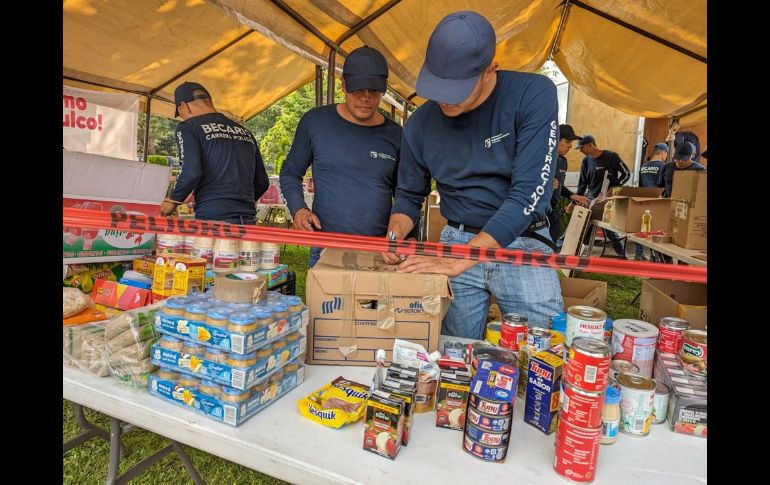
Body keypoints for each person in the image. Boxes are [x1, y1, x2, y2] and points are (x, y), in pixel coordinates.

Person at [382, 11, 564, 339]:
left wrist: (461, 259)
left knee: (540, 349)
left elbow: (529, 194)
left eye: (456, 88)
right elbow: (409, 194)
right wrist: (395, 233)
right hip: (458, 236)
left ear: (490, 69)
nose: (443, 98)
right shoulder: (420, 124)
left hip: (523, 239)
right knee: (454, 349)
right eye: (437, 85)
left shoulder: (532, 94)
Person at [279, 46, 403, 267]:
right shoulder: (315, 122)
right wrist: (299, 209)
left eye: (374, 91)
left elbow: (405, 195)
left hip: (378, 252)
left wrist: (396, 237)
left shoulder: (396, 134)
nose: (365, 98)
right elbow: (290, 171)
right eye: (358, 90)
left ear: (383, 89)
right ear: (344, 85)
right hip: (325, 248)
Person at [160, 82, 268, 225]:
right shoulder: (245, 132)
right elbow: (262, 182)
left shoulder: (188, 127)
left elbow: (190, 170)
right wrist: (240, 203)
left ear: (184, 106)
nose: (183, 118)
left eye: (181, 114)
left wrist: (173, 200)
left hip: (213, 217)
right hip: (247, 217)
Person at [575, 135, 631, 257]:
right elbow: (582, 182)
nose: (580, 151)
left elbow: (626, 173)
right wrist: (576, 199)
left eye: (582, 148)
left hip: (607, 200)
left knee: (609, 230)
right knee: (582, 228)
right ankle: (576, 254)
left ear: (590, 145)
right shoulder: (586, 160)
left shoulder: (611, 156)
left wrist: (614, 188)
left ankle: (623, 256)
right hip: (591, 199)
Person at [548, 124, 590, 244]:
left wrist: (572, 196)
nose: (570, 146)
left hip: (552, 211)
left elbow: (559, 186)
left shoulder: (563, 161)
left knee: (553, 242)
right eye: (567, 141)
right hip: (538, 212)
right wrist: (545, 184)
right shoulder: (541, 158)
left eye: (571, 142)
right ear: (555, 139)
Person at [634, 142, 668, 261]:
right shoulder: (663, 167)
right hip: (657, 202)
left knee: (642, 227)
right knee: (657, 229)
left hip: (643, 201)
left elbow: (639, 185)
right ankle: (656, 256)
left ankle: (638, 254)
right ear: (663, 153)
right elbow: (664, 185)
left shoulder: (644, 166)